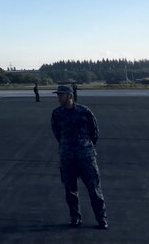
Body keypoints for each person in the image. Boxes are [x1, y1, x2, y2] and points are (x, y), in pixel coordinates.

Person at [51, 84, 107, 229]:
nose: (58, 97)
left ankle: (101, 218)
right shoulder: (56, 113)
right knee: (70, 190)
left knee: (94, 189)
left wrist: (85, 146)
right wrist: (66, 146)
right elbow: (57, 133)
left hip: (86, 156)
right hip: (67, 157)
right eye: (58, 95)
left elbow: (94, 132)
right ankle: (75, 217)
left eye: (61, 95)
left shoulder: (84, 111)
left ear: (70, 96)